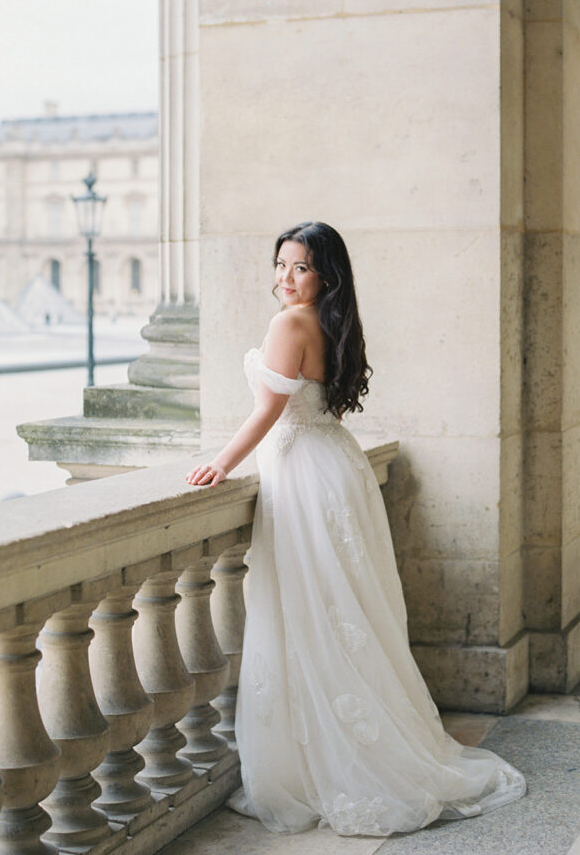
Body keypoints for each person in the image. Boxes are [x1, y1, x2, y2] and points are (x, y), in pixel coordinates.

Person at [185, 221, 526, 836]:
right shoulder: (333, 321)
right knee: (343, 613)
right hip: (333, 465)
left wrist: (220, 463)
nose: (286, 279)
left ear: (326, 276)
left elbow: (267, 410)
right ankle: (340, 748)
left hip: (305, 474)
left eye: (302, 268)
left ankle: (326, 762)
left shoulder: (289, 324)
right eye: (282, 265)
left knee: (314, 611)